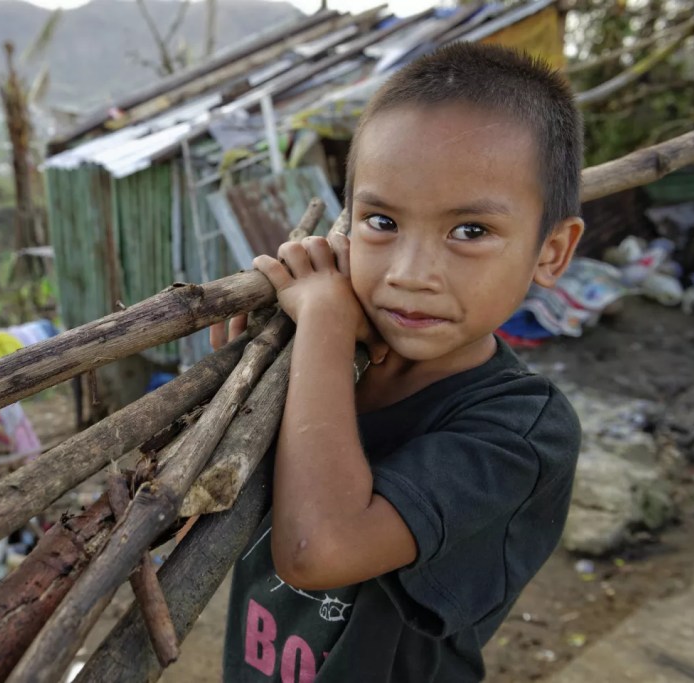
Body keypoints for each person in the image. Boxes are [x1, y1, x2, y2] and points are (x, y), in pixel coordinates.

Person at [215, 43, 585, 682]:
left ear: (551, 251)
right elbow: (221, 474)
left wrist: (326, 322)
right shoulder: (328, 362)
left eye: (469, 231)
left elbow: (317, 552)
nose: (411, 276)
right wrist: (244, 355)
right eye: (382, 221)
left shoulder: (523, 431)